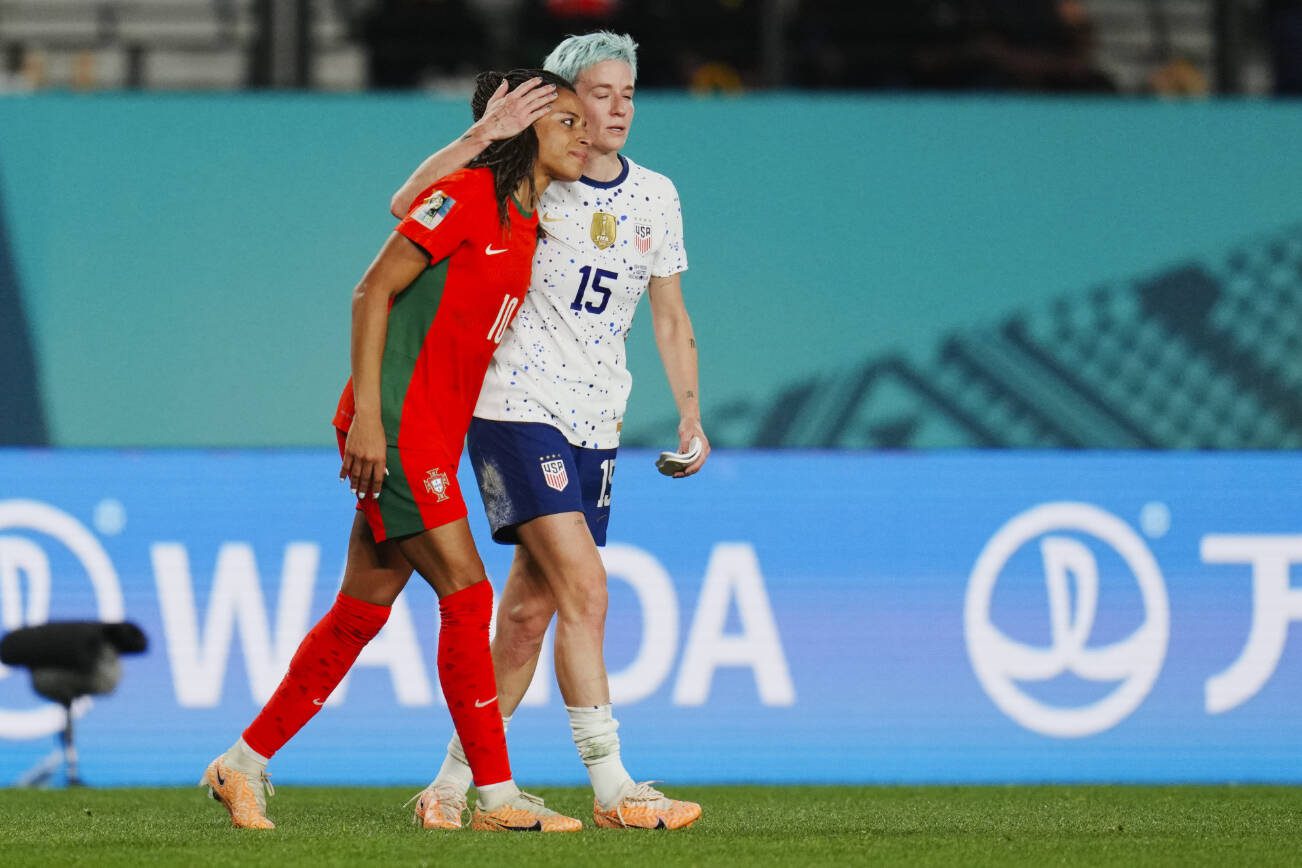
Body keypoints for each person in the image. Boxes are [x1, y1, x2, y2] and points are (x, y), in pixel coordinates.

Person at [200, 68, 591, 833]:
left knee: (360, 611)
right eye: (566, 121)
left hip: (433, 432)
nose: (581, 135)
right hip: (399, 430)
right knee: (469, 595)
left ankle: (241, 764)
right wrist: (371, 420)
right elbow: (371, 290)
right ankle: (494, 797)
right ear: (523, 129)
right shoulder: (473, 195)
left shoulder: (526, 219)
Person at [390, 31, 706, 831]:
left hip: (597, 418)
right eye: (600, 93)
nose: (617, 109)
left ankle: (450, 788)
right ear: (561, 102)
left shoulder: (656, 196)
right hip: (515, 407)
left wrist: (691, 413)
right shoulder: (528, 179)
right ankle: (614, 787)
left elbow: (668, 316)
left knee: (530, 614)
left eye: (628, 94)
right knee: (586, 588)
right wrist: (482, 136)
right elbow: (409, 209)